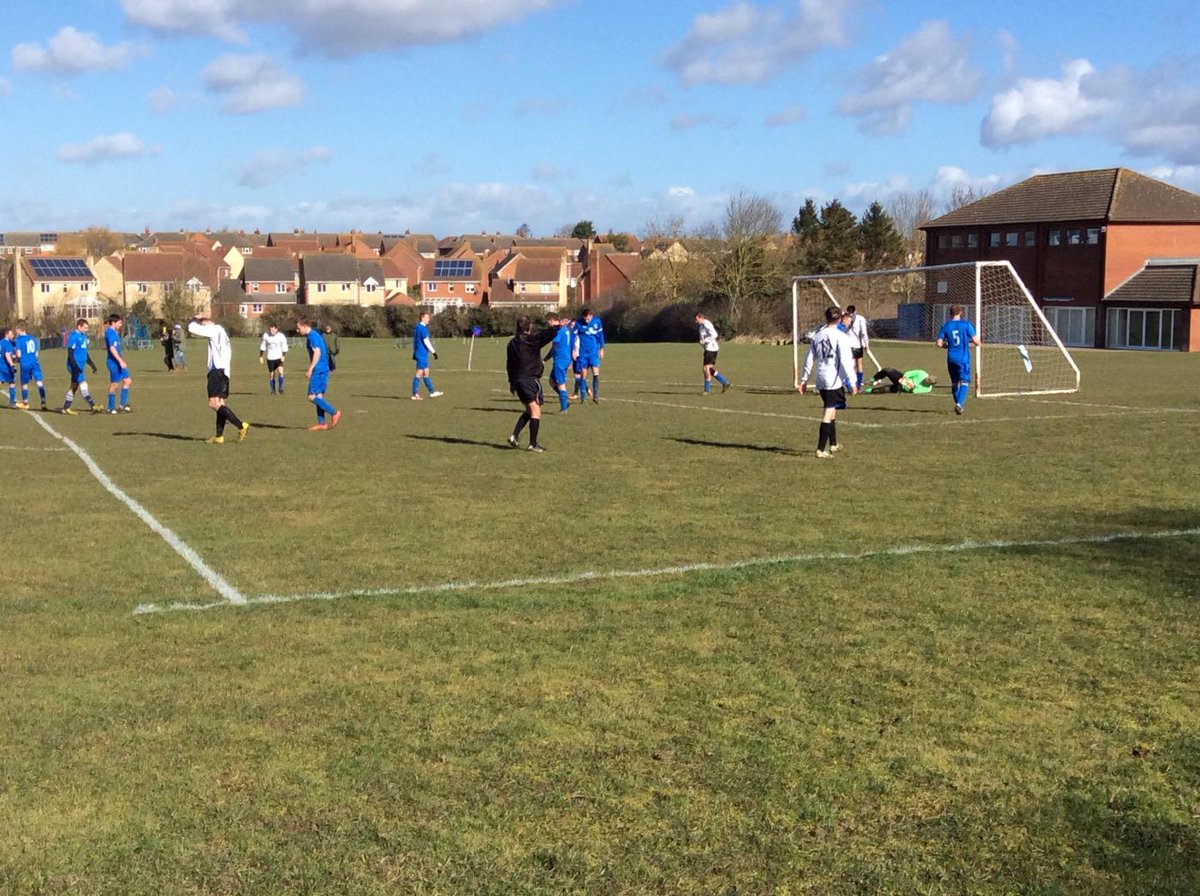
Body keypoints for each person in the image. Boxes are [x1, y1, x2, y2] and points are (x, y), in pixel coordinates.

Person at [798, 306, 858, 458]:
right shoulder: (841, 336)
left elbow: (809, 359)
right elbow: (845, 361)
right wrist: (853, 381)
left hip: (821, 377)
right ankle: (820, 449)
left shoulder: (817, 336)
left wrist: (804, 379)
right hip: (833, 379)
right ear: (839, 319)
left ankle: (833, 444)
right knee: (828, 412)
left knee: (832, 411)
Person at [188, 315, 250, 444]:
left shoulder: (214, 329)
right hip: (224, 371)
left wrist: (195, 319)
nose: (202, 328)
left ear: (207, 323)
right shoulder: (222, 333)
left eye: (203, 325)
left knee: (213, 404)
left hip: (217, 371)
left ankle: (241, 425)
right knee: (220, 404)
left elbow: (191, 328)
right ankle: (219, 436)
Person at [506, 314, 561, 452]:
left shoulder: (511, 343)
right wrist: (559, 326)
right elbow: (546, 335)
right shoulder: (531, 340)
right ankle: (533, 444)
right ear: (529, 326)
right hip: (529, 379)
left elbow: (509, 364)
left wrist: (511, 382)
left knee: (529, 410)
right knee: (536, 410)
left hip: (518, 380)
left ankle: (514, 436)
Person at [297, 317, 341, 431]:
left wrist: (310, 369)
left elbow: (317, 352)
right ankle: (322, 423)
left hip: (319, 369)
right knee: (318, 396)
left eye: (298, 328)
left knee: (311, 396)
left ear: (305, 326)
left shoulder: (312, 336)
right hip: (324, 368)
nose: (297, 331)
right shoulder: (314, 335)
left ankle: (334, 412)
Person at [936, 305, 981, 415]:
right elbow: (976, 342)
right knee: (964, 382)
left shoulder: (946, 326)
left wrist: (946, 345)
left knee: (955, 383)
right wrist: (978, 342)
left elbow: (939, 343)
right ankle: (959, 404)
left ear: (950, 314)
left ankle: (958, 405)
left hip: (951, 358)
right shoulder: (966, 325)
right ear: (961, 312)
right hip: (963, 358)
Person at [61, 319, 99, 414]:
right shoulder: (73, 336)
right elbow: (70, 352)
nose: (87, 329)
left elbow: (84, 353)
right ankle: (93, 405)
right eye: (85, 327)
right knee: (82, 384)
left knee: (74, 386)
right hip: (74, 366)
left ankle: (66, 407)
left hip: (80, 366)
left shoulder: (83, 336)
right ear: (79, 327)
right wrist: (74, 366)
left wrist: (91, 364)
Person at [543, 312, 574, 413]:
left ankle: (564, 408)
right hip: (566, 358)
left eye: (548, 322)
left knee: (561, 384)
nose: (547, 325)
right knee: (552, 382)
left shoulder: (558, 331)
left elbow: (554, 348)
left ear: (551, 320)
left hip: (560, 360)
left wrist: (544, 359)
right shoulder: (566, 329)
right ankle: (564, 400)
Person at [13, 322, 47, 410]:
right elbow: (36, 354)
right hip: (34, 363)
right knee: (39, 382)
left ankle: (25, 403)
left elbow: (19, 354)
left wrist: (15, 359)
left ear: (19, 330)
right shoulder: (33, 339)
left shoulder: (18, 340)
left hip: (25, 363)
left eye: (16, 330)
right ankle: (43, 402)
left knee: (24, 383)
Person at [410, 311, 443, 400]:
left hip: (420, 353)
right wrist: (434, 352)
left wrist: (414, 352)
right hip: (422, 354)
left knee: (426, 372)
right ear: (423, 318)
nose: (429, 319)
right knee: (419, 373)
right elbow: (426, 341)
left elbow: (415, 341)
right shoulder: (422, 328)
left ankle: (432, 392)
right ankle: (414, 394)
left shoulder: (417, 327)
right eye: (427, 318)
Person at [696, 312, 731, 394]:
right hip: (708, 349)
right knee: (709, 369)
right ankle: (725, 383)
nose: (696, 322)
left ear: (701, 318)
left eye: (697, 320)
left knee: (706, 369)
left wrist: (705, 341)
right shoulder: (701, 327)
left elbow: (715, 335)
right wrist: (702, 343)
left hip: (711, 349)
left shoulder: (707, 324)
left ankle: (707, 390)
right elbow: (702, 338)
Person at [103, 314, 132, 413]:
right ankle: (110, 408)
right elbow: (112, 348)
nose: (120, 325)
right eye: (119, 323)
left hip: (119, 362)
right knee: (114, 384)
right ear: (113, 323)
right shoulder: (110, 332)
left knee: (127, 381)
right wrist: (120, 361)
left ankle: (122, 405)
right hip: (113, 362)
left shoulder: (115, 332)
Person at [575, 307, 604, 403]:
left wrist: (601, 349)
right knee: (584, 374)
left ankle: (596, 396)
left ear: (591, 316)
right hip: (583, 353)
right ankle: (583, 397)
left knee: (596, 372)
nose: (586, 321)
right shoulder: (579, 323)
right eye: (585, 319)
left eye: (588, 319)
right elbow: (573, 337)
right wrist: (574, 350)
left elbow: (600, 336)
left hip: (593, 352)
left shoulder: (597, 322)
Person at [258, 323, 288, 395]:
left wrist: (283, 355)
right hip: (270, 357)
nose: (271, 331)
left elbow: (284, 346)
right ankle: (273, 391)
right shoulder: (266, 336)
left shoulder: (281, 336)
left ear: (276, 329)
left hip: (278, 357)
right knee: (272, 374)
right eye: (270, 330)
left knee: (281, 372)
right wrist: (261, 356)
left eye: (273, 330)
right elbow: (263, 346)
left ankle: (281, 388)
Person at [845, 304, 870, 391]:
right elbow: (864, 332)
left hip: (848, 345)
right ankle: (857, 385)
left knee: (851, 366)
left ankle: (850, 385)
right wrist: (866, 344)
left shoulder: (845, 318)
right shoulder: (860, 318)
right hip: (857, 345)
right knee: (859, 364)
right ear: (855, 311)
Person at [865, 368, 937, 394]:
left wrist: (909, 386)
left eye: (927, 380)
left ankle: (867, 391)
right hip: (902, 377)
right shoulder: (922, 373)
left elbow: (914, 391)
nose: (925, 379)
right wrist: (904, 378)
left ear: (929, 384)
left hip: (903, 388)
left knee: (885, 389)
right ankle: (873, 379)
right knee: (888, 370)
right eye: (927, 378)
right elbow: (910, 373)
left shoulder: (927, 389)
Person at [0, 327, 16, 408]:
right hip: (6, 366)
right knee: (12, 383)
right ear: (6, 334)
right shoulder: (8, 343)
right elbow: (7, 355)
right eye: (11, 334)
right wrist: (12, 365)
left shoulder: (0, 342)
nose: (13, 336)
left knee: (0, 382)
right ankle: (12, 402)